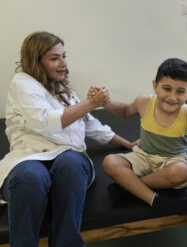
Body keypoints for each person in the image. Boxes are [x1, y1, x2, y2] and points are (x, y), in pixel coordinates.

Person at [0, 31, 137, 247]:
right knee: (30, 177)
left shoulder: (65, 91)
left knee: (71, 162)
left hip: (68, 158)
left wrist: (127, 143)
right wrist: (91, 102)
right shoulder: (22, 83)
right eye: (55, 58)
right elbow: (44, 121)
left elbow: (92, 125)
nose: (63, 63)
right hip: (29, 157)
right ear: (36, 61)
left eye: (64, 56)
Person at [96, 58, 187, 215]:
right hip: (143, 156)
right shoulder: (144, 102)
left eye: (180, 92)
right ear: (155, 86)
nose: (172, 97)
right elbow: (125, 111)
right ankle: (155, 199)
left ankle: (128, 188)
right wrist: (107, 103)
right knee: (109, 162)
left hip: (172, 160)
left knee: (180, 172)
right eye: (166, 89)